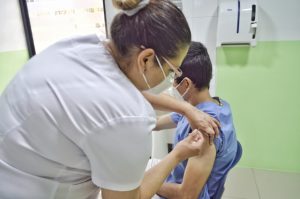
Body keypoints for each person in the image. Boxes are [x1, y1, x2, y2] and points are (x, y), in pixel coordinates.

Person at [0, 0, 220, 199]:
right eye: (172, 71)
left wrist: (185, 109)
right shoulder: (127, 116)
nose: (172, 80)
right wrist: (178, 154)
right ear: (146, 59)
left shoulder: (85, 47)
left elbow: (115, 90)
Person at [155, 42, 239, 199]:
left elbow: (187, 195)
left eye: (173, 77)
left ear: (186, 83)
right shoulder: (215, 105)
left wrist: (149, 184)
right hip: (177, 179)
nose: (172, 83)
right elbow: (158, 123)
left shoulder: (204, 129)